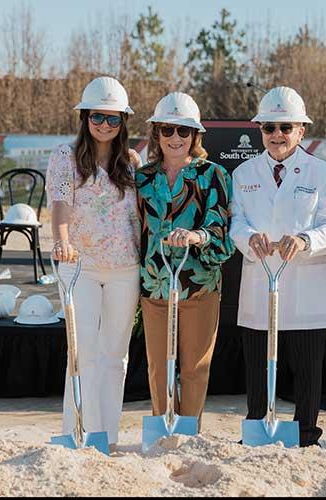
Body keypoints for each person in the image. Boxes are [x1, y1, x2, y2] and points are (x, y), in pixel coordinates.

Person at [229, 86, 326, 447]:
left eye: (286, 127)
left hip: (307, 291)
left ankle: (306, 436)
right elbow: (235, 221)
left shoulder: (323, 174)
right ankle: (256, 430)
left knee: (308, 374)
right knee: (258, 370)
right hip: (260, 285)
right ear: (260, 130)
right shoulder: (243, 173)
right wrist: (248, 237)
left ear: (301, 131)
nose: (277, 135)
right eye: (269, 128)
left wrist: (306, 241)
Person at [46, 76, 143, 452]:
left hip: (124, 267)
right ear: (85, 117)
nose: (104, 125)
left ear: (123, 122)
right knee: (82, 350)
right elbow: (60, 204)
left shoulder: (131, 162)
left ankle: (108, 436)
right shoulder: (64, 157)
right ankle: (79, 432)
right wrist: (62, 242)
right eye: (97, 117)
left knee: (115, 354)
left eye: (113, 118)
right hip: (79, 265)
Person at [136, 92, 235, 429]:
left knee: (194, 366)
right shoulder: (143, 178)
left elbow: (222, 232)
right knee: (158, 366)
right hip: (155, 284)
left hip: (199, 283)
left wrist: (197, 236)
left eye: (183, 131)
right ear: (156, 134)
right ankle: (162, 429)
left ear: (195, 136)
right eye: (167, 130)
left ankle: (189, 430)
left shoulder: (214, 175)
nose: (175, 138)